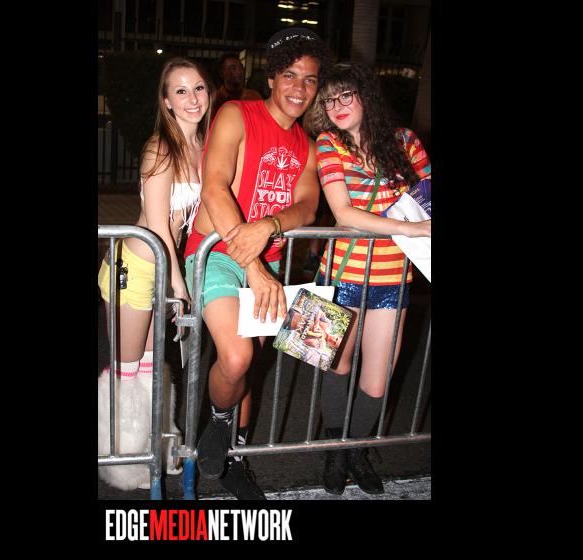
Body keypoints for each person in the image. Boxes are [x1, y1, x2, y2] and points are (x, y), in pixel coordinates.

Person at [183, 28, 332, 500]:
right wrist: (252, 266)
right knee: (237, 357)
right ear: (270, 78)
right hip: (215, 253)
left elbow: (307, 206)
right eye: (290, 75)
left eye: (310, 80)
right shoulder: (236, 114)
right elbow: (214, 187)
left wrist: (268, 225)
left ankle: (234, 459)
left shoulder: (308, 144)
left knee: (249, 366)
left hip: (268, 265)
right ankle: (218, 424)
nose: (299, 88)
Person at [303, 62, 431, 496]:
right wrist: (412, 229)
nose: (336, 105)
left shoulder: (406, 141)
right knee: (334, 365)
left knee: (377, 380)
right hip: (339, 273)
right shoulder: (328, 143)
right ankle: (335, 453)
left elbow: (428, 198)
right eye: (328, 99)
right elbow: (344, 213)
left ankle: (355, 450)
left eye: (345, 94)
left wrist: (419, 224)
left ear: (366, 95)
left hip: (393, 278)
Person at [97, 57, 215, 487]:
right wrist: (179, 284)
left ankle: (151, 456)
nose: (192, 98)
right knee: (126, 372)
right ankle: (119, 467)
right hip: (136, 269)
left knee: (151, 370)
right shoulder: (160, 147)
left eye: (198, 88)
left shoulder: (203, 145)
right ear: (166, 101)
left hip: (163, 270)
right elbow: (161, 225)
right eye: (180, 90)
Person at [211, 53, 262, 119]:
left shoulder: (253, 96)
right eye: (233, 68)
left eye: (241, 67)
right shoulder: (216, 99)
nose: (239, 72)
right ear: (222, 73)